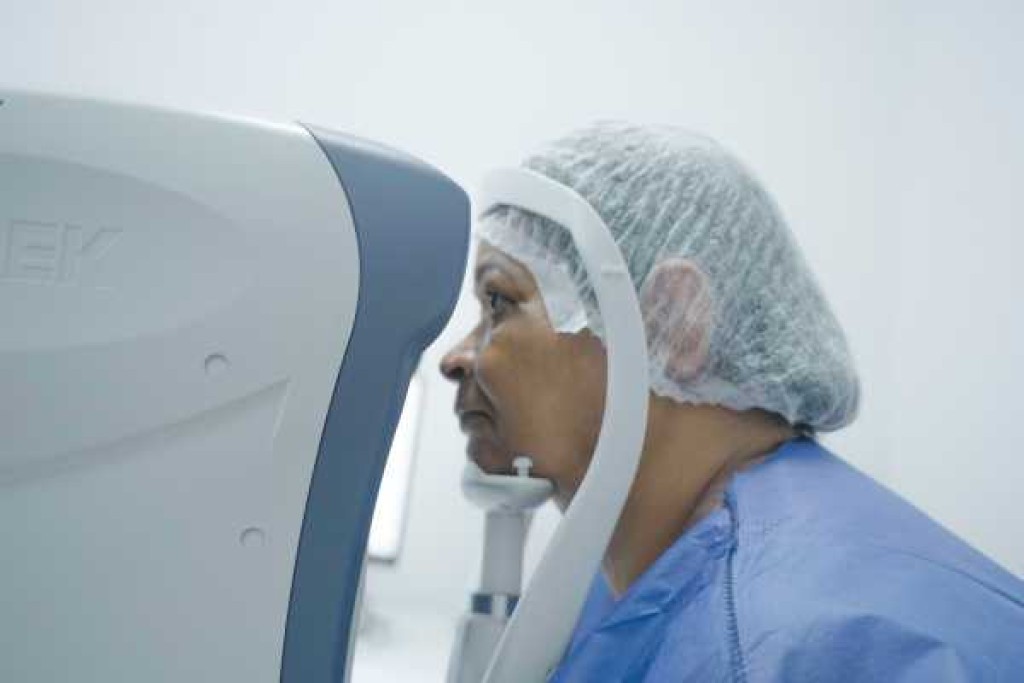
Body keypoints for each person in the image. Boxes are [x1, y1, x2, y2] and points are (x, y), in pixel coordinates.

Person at [439, 122, 1024, 681]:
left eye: (498, 301)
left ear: (671, 322)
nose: (455, 358)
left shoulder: (778, 650)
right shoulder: (645, 573)